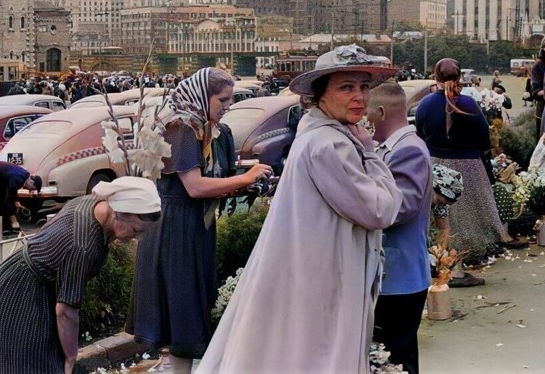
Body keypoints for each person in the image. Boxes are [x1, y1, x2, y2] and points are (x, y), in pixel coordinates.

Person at [197, 45, 403, 374]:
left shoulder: (326, 135)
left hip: (317, 268)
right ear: (321, 95)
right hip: (325, 274)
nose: (359, 97)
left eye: (364, 87)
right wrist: (371, 152)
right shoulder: (330, 144)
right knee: (318, 355)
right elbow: (381, 209)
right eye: (346, 87)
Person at [129, 68, 273, 374]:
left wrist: (245, 182)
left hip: (193, 226)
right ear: (202, 96)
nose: (228, 106)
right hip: (174, 229)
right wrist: (244, 178)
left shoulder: (206, 128)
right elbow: (194, 187)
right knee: (183, 313)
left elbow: (214, 180)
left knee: (190, 314)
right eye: (223, 99)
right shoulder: (181, 126)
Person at [0, 177, 162, 374]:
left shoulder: (94, 203)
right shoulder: (83, 244)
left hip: (21, 279)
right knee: (27, 364)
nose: (137, 237)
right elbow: (66, 310)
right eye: (136, 230)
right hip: (18, 291)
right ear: (120, 212)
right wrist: (70, 358)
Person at [415, 59, 522, 287]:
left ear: (436, 77)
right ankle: (456, 270)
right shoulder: (470, 104)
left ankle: (443, 266)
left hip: (436, 167)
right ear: (459, 76)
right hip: (469, 168)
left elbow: (420, 134)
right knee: (466, 220)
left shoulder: (425, 104)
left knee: (441, 220)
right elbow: (484, 138)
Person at [366, 82, 432, 374]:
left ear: (380, 112)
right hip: (394, 275)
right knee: (396, 357)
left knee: (394, 360)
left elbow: (398, 209)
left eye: (366, 113)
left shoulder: (409, 151)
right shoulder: (395, 148)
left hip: (399, 275)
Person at [0, 161, 41, 240]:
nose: (29, 190)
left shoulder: (23, 176)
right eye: (32, 188)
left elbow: (12, 192)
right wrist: (13, 218)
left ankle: (6, 230)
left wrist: (18, 205)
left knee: (1, 203)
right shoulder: (18, 178)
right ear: (31, 182)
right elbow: (9, 199)